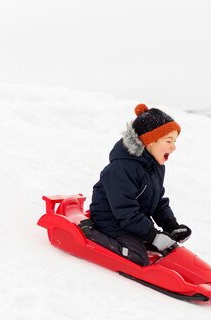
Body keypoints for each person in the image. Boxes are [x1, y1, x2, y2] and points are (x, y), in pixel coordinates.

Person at [81, 103, 191, 266]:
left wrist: (171, 226)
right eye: (169, 141)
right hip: (112, 223)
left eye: (174, 141)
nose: (173, 147)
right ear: (150, 141)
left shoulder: (155, 167)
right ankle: (92, 235)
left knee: (170, 248)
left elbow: (158, 202)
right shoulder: (121, 169)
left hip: (133, 222)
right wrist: (152, 235)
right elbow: (125, 211)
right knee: (137, 257)